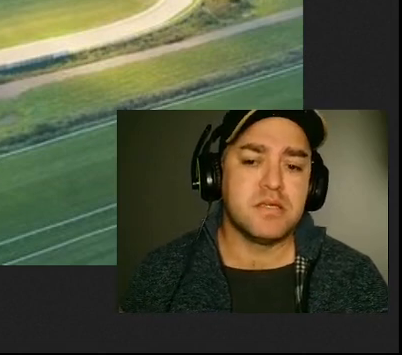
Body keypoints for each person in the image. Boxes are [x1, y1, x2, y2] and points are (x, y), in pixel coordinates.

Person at [120, 109, 389, 313]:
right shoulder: (161, 273)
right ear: (215, 174)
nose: (273, 182)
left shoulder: (356, 278)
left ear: (313, 185)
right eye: (251, 161)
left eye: (293, 166)